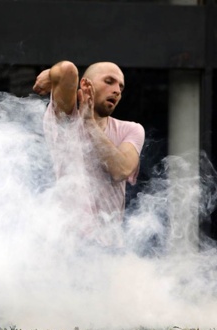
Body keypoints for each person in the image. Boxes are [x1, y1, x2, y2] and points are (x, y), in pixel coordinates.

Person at [33, 60, 145, 248]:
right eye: (109, 81)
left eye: (121, 86)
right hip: (68, 247)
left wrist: (90, 124)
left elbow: (121, 169)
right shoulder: (65, 119)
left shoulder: (131, 130)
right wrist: (53, 74)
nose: (117, 90)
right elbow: (67, 69)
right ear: (85, 85)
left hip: (110, 249)